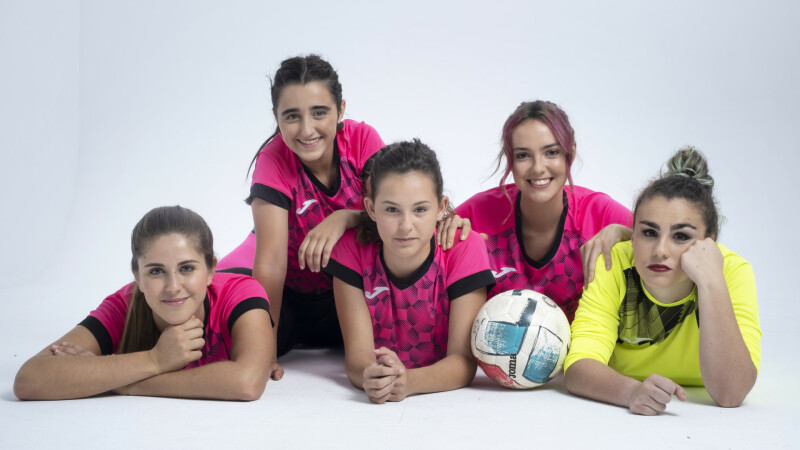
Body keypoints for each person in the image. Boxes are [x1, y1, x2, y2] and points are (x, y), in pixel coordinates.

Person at [216, 55, 385, 374]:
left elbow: (390, 213)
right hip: (291, 297)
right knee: (224, 337)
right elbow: (271, 263)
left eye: (319, 113)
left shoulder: (362, 140)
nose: (307, 130)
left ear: (341, 110)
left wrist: (344, 218)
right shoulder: (273, 160)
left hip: (349, 293)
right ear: (276, 117)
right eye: (292, 116)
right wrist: (266, 354)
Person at [564, 146, 761, 415]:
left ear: (709, 242)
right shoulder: (613, 261)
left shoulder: (733, 272)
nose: (660, 250)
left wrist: (711, 282)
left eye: (681, 236)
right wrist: (631, 392)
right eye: (649, 233)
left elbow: (731, 393)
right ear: (633, 233)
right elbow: (578, 367)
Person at [14, 206, 274, 401]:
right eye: (156, 271)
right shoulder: (124, 305)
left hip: (282, 306)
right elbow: (29, 380)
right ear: (137, 276)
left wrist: (121, 382)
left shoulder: (241, 292)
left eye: (186, 268)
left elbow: (247, 383)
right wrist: (155, 360)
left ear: (210, 271)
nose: (173, 287)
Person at [323, 140, 495, 403]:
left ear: (441, 208)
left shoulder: (464, 248)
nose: (405, 226)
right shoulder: (351, 249)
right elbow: (357, 356)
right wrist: (371, 375)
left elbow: (463, 361)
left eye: (420, 210)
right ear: (371, 209)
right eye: (392, 210)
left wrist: (409, 382)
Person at [452, 100, 632, 322]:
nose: (538, 168)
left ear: (570, 153)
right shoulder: (476, 214)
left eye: (551, 152)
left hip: (585, 344)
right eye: (523, 155)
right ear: (510, 158)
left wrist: (625, 234)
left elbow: (664, 242)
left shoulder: (601, 214)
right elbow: (422, 240)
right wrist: (447, 232)